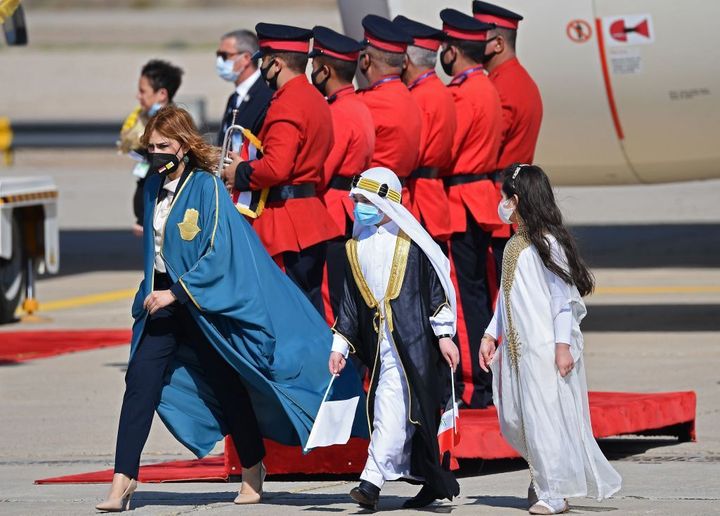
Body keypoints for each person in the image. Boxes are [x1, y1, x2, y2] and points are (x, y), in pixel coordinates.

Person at [96, 105, 357, 512]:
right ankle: (123, 479)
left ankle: (253, 467)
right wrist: (153, 290)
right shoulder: (151, 187)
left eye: (163, 147)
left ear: (183, 146)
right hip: (160, 302)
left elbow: (217, 253)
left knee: (228, 387)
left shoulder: (207, 187)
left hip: (204, 306)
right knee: (139, 385)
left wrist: (178, 293)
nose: (156, 154)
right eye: (150, 148)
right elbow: (155, 249)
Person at [479, 164, 622, 514]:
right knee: (515, 418)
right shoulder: (514, 244)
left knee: (543, 418)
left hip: (543, 349)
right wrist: (489, 333)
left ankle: (552, 493)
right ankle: (542, 475)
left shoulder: (549, 244)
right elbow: (506, 296)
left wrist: (562, 347)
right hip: (516, 350)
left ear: (517, 200)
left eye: (505, 199)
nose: (502, 205)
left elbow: (563, 302)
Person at [330, 167, 461, 510]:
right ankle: (433, 481)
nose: (357, 206)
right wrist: (339, 346)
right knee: (406, 416)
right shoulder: (354, 248)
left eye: (363, 200)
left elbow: (435, 294)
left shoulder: (413, 245)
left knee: (393, 410)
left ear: (385, 200)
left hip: (414, 348)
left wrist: (445, 336)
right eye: (356, 200)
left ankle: (370, 484)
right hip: (380, 349)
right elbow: (349, 305)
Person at [222, 23, 341, 314]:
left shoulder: (287, 103)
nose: (262, 69)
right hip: (309, 215)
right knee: (309, 308)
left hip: (285, 223)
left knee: (286, 311)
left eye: (264, 62)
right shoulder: (314, 98)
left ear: (276, 63)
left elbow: (276, 167)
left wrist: (238, 172)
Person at [439, 8, 503, 409]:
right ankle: (486, 381)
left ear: (453, 50)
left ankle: (474, 385)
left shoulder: (463, 95)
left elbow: (447, 149)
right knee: (479, 293)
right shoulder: (486, 87)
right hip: (481, 198)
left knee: (465, 298)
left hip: (462, 199)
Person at [472, 1, 544, 281]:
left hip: (498, 202)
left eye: (480, 39)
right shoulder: (520, 80)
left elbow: (485, 146)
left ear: (498, 44)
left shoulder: (501, 88)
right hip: (513, 198)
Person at [309, 25, 376, 320]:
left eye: (314, 66)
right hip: (350, 207)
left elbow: (321, 171)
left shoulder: (336, 112)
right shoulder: (359, 105)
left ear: (325, 70)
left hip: (332, 210)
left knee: (329, 299)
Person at [393, 15, 455, 243]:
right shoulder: (439, 90)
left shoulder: (419, 97)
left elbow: (410, 153)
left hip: (419, 201)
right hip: (433, 197)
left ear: (406, 59)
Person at [118, 59, 183, 237]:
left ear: (161, 94)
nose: (138, 96)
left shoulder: (169, 126)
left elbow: (164, 171)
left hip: (161, 215)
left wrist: (145, 218)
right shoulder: (146, 120)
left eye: (142, 91)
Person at [356, 15, 422, 182]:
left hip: (370, 199)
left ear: (366, 60)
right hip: (400, 197)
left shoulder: (367, 102)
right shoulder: (410, 96)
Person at [215, 29, 272, 146]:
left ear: (246, 58)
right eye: (218, 55)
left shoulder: (267, 95)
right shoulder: (234, 98)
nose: (219, 61)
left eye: (225, 55)